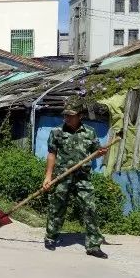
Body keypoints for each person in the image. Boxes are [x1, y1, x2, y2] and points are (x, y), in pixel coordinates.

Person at [42, 106, 109, 259]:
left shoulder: (90, 132)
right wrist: (48, 176)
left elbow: (95, 154)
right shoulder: (57, 132)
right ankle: (51, 237)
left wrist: (100, 153)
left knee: (90, 208)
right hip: (62, 176)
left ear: (80, 116)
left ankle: (93, 245)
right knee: (57, 207)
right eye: (66, 115)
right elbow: (52, 154)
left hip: (82, 177)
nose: (67, 118)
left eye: (71, 115)